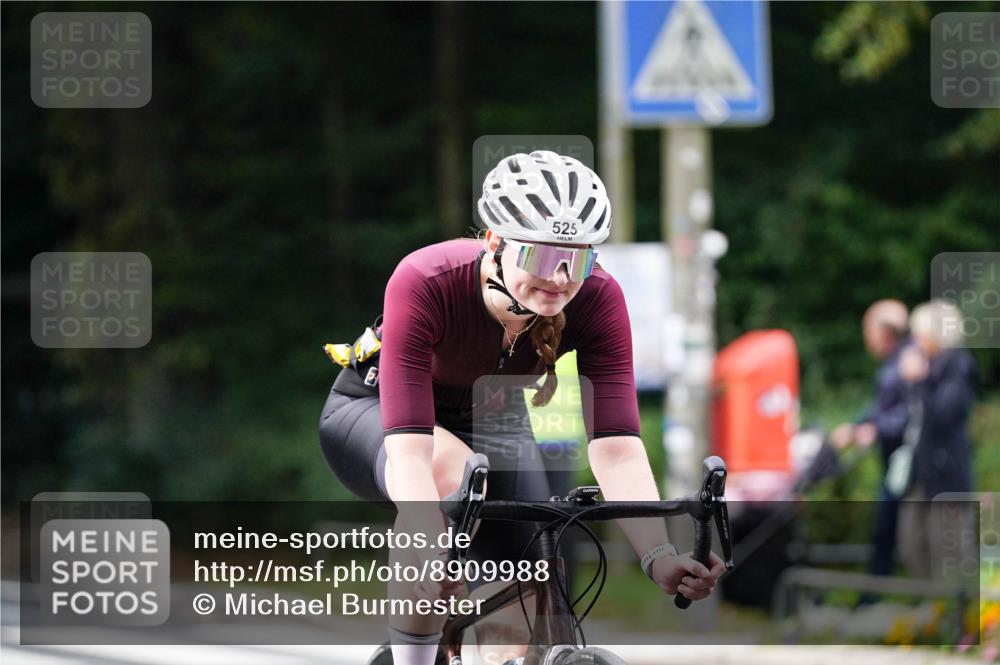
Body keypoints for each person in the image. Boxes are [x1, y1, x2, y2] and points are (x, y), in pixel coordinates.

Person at [319, 151, 726, 665]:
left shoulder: (598, 298)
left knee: (525, 607)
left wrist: (659, 556)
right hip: (378, 417)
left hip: (493, 425)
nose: (558, 278)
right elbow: (413, 454)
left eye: (576, 259)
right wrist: (428, 537)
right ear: (495, 242)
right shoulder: (426, 278)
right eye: (539, 257)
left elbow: (618, 449)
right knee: (452, 482)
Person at [830, 299, 910, 587]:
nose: (866, 337)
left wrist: (874, 429)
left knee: (890, 531)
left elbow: (909, 414)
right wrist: (856, 426)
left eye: (869, 329)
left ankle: (876, 597)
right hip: (898, 461)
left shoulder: (906, 363)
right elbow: (883, 408)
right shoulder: (896, 362)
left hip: (908, 464)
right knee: (887, 530)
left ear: (884, 332)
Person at [896, 299, 977, 582]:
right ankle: (933, 611)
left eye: (920, 335)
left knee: (951, 553)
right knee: (911, 543)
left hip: (947, 476)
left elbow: (944, 413)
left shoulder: (958, 366)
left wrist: (921, 379)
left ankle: (956, 618)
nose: (915, 342)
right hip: (921, 473)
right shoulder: (928, 366)